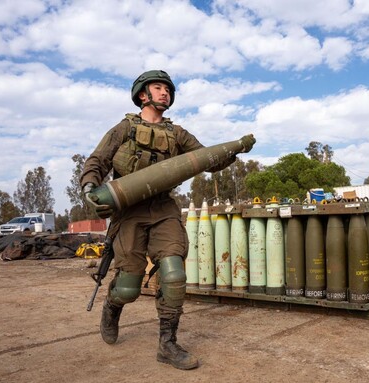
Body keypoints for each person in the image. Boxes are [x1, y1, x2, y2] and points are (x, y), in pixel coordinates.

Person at [80, 70, 252, 370]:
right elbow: (97, 162)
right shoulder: (124, 129)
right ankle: (112, 306)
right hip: (128, 212)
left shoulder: (177, 134)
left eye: (168, 90)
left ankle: (167, 344)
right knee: (128, 288)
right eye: (158, 88)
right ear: (142, 94)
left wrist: (236, 148)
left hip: (163, 210)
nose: (165, 93)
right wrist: (89, 189)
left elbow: (206, 159)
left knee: (173, 275)